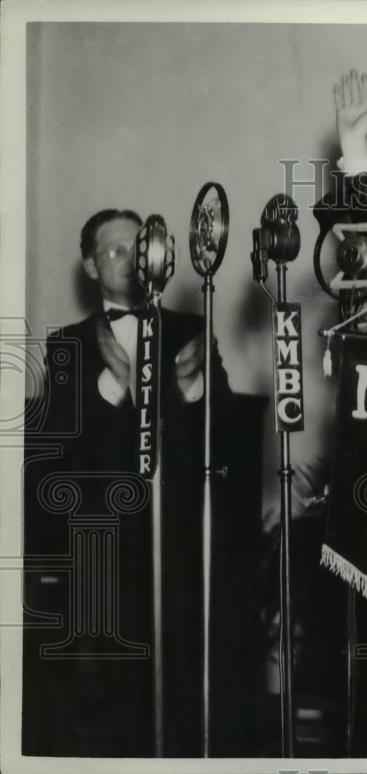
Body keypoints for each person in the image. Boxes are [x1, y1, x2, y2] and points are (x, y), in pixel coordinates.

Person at [23, 208, 243, 756]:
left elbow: (231, 446)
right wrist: (109, 388)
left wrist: (196, 394)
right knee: (112, 704)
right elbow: (58, 458)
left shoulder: (192, 329)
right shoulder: (68, 343)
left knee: (188, 691)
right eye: (114, 250)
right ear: (91, 266)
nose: (129, 259)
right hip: (108, 555)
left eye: (137, 247)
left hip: (180, 549)